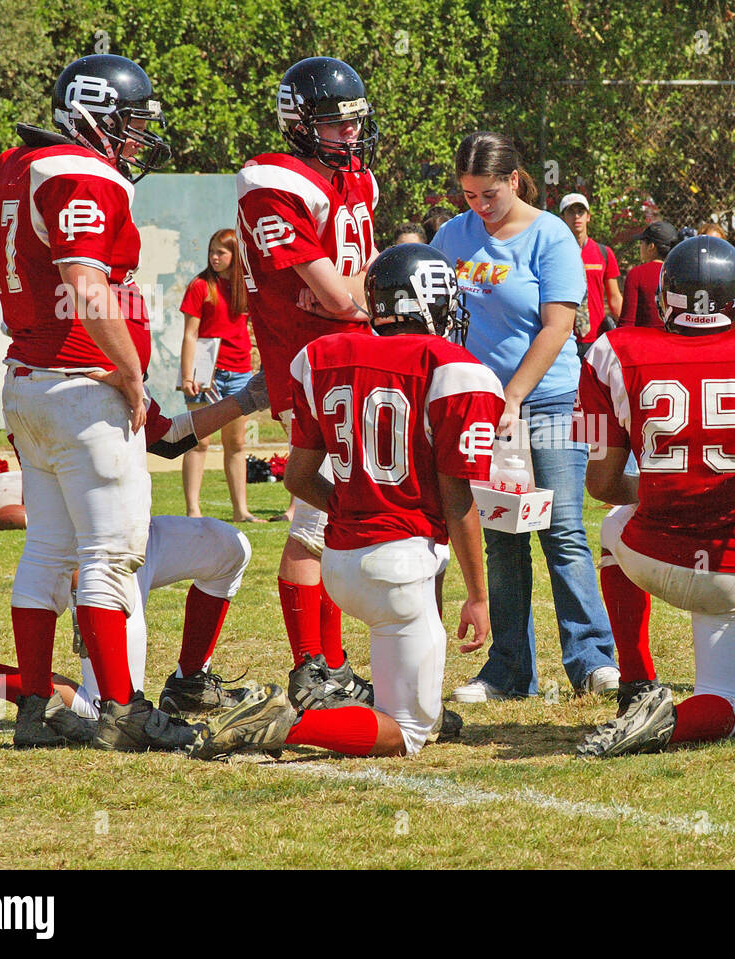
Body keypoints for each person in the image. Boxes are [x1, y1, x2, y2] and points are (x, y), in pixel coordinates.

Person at [189, 244, 503, 760]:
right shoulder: (454, 369)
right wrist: (479, 594)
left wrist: (350, 509)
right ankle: (284, 728)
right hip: (399, 568)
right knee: (409, 733)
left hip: (339, 564)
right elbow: (457, 497)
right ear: (429, 303)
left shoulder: (321, 355)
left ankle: (394, 695)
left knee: (402, 675)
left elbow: (297, 476)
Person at [0, 53, 198, 752]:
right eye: (129, 123)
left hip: (27, 380)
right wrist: (130, 368)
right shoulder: (78, 172)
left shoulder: (18, 166)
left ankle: (32, 709)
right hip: (81, 386)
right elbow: (84, 279)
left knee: (47, 550)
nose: (137, 139)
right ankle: (123, 709)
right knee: (110, 553)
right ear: (91, 116)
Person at [0, 373, 272, 734]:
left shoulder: (102, 371)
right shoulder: (60, 388)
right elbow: (54, 520)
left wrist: (246, 400)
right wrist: (81, 584)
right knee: (105, 710)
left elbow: (166, 438)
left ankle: (190, 682)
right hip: (94, 555)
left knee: (229, 548)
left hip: (133, 532)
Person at [577, 236, 735, 757]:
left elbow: (601, 484)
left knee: (612, 522)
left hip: (652, 557)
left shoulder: (615, 351)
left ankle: (636, 678)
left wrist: (659, 487)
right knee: (728, 712)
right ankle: (668, 722)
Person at [432, 132, 619, 701]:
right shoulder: (451, 236)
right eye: (468, 196)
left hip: (549, 400)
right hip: (477, 404)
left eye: (488, 193)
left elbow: (558, 325)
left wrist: (512, 397)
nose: (479, 207)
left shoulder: (551, 234)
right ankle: (509, 670)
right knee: (503, 537)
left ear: (514, 180)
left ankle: (592, 658)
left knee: (562, 528)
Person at [237, 56, 380, 711]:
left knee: (331, 517)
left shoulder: (354, 180)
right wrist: (375, 300)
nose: (349, 134)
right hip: (311, 364)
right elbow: (337, 297)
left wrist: (366, 296)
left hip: (349, 360)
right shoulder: (274, 181)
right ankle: (310, 667)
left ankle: (332, 664)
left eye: (354, 121)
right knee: (315, 521)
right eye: (334, 122)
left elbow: (361, 282)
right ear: (299, 123)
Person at [178, 228, 260, 522]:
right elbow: (190, 334)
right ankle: (193, 511)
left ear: (234, 256)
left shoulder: (245, 287)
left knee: (236, 444)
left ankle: (241, 511)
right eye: (212, 251)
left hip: (240, 373)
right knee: (198, 442)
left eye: (220, 252)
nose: (214, 257)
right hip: (205, 374)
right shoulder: (200, 286)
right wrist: (188, 376)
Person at [559, 192, 623, 354]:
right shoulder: (554, 253)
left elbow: (614, 298)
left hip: (597, 338)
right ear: (563, 218)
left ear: (588, 216)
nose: (576, 216)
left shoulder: (604, 253)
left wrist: (625, 331)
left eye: (580, 211)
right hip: (563, 338)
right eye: (571, 212)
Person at [617, 220, 678, 329]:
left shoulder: (637, 274)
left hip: (644, 343)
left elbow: (626, 324)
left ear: (651, 246)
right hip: (676, 342)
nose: (640, 246)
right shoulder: (680, 273)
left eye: (642, 243)